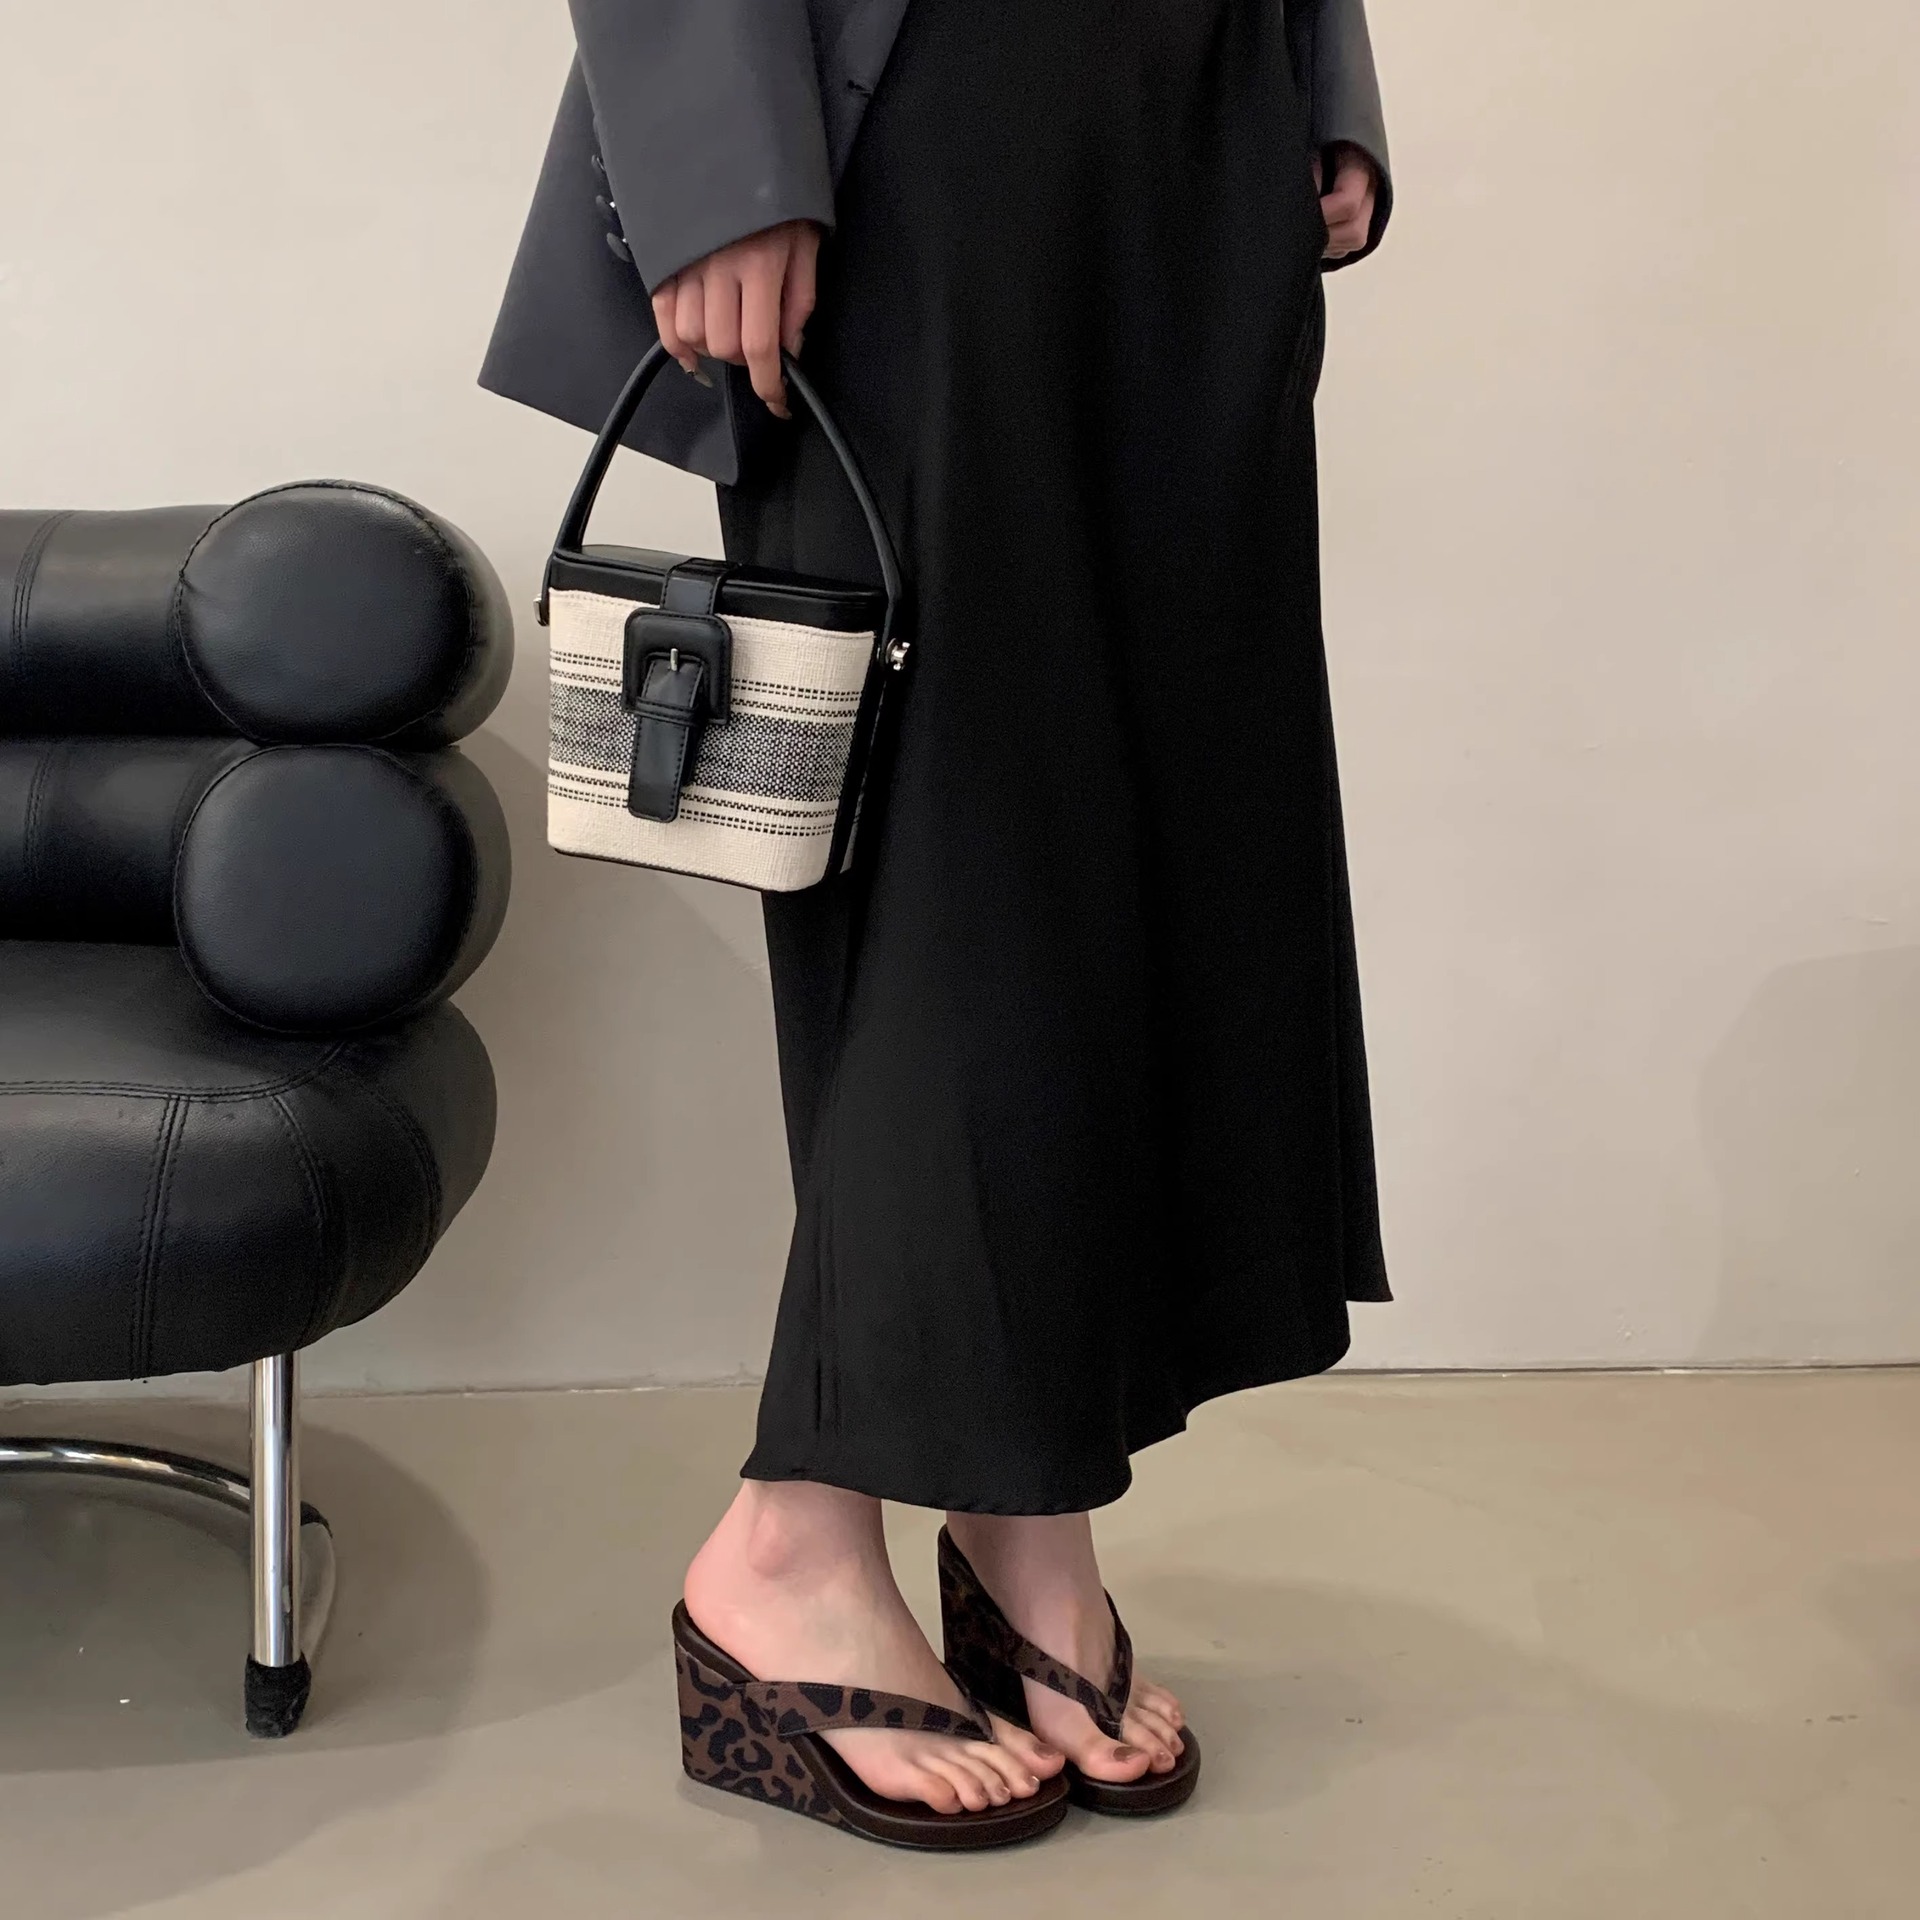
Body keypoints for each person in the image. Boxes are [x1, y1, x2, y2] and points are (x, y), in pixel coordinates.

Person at [483, 0, 1394, 1848]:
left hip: (1196, 120)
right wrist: (715, 159)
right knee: (956, 856)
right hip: (916, 114)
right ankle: (794, 1549)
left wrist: (1317, 71)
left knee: (1168, 829)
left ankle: (1027, 1496)